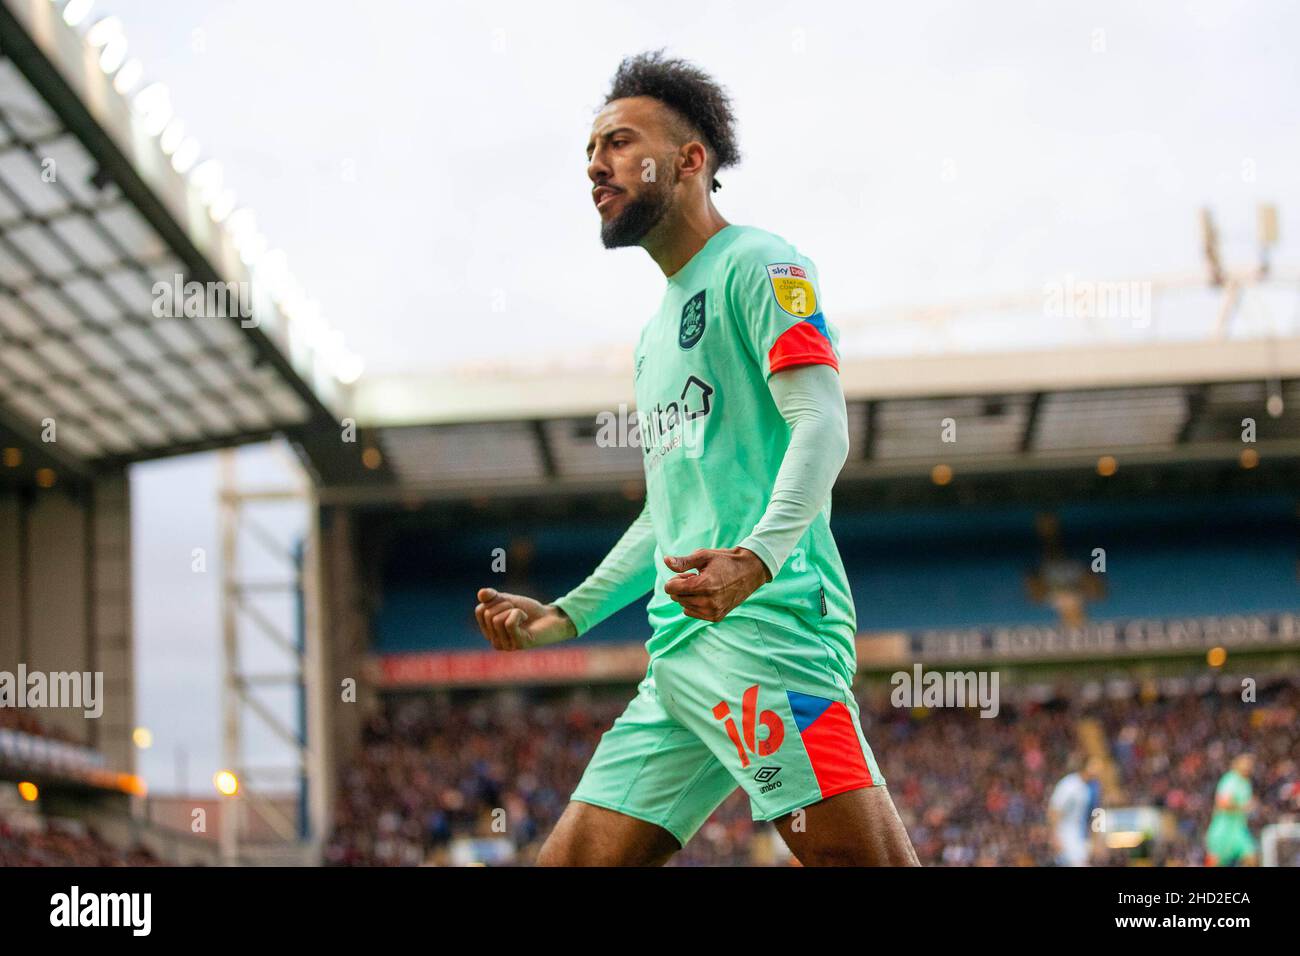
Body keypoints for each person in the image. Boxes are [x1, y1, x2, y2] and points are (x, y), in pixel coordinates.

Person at [473, 51, 917, 867]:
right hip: (675, 661)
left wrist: (754, 560)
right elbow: (666, 518)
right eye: (589, 153)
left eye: (617, 142)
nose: (596, 167)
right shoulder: (652, 338)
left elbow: (822, 426)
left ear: (689, 160)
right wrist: (567, 614)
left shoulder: (763, 265)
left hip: (770, 636)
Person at [1048, 755, 1102, 866]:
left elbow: (1096, 814)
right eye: (1094, 765)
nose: (1098, 769)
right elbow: (1054, 809)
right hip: (1066, 834)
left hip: (1081, 835)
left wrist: (1097, 839)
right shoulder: (1069, 784)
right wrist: (1055, 836)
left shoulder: (1093, 788)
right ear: (1085, 766)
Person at [1205, 753, 1258, 866]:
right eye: (1245, 763)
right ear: (1237, 764)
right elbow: (1222, 803)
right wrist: (1242, 807)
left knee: (1251, 857)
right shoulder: (1230, 780)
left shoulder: (1246, 783)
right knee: (1216, 863)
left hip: (1239, 828)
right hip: (1223, 828)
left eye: (1250, 764)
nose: (1248, 766)